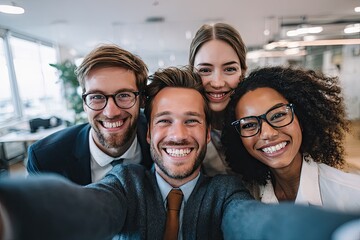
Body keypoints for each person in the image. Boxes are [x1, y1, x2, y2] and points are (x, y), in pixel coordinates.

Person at [0, 67, 359, 240]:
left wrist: (337, 233)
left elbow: (254, 222)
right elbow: (88, 206)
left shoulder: (225, 191)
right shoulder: (124, 183)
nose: (178, 135)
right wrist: (13, 211)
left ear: (207, 131)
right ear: (148, 129)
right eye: (164, 121)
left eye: (192, 121)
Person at [222, 66, 360, 212]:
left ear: (301, 118)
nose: (267, 133)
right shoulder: (246, 197)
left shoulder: (353, 195)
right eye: (249, 124)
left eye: (278, 116)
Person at [26, 44, 152, 185]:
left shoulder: (163, 143)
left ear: (141, 100)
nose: (111, 112)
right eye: (97, 97)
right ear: (85, 104)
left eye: (124, 95)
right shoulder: (46, 159)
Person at [188, 22, 247, 176]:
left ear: (243, 72)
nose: (217, 83)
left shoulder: (257, 121)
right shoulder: (180, 126)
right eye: (205, 70)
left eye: (229, 69)